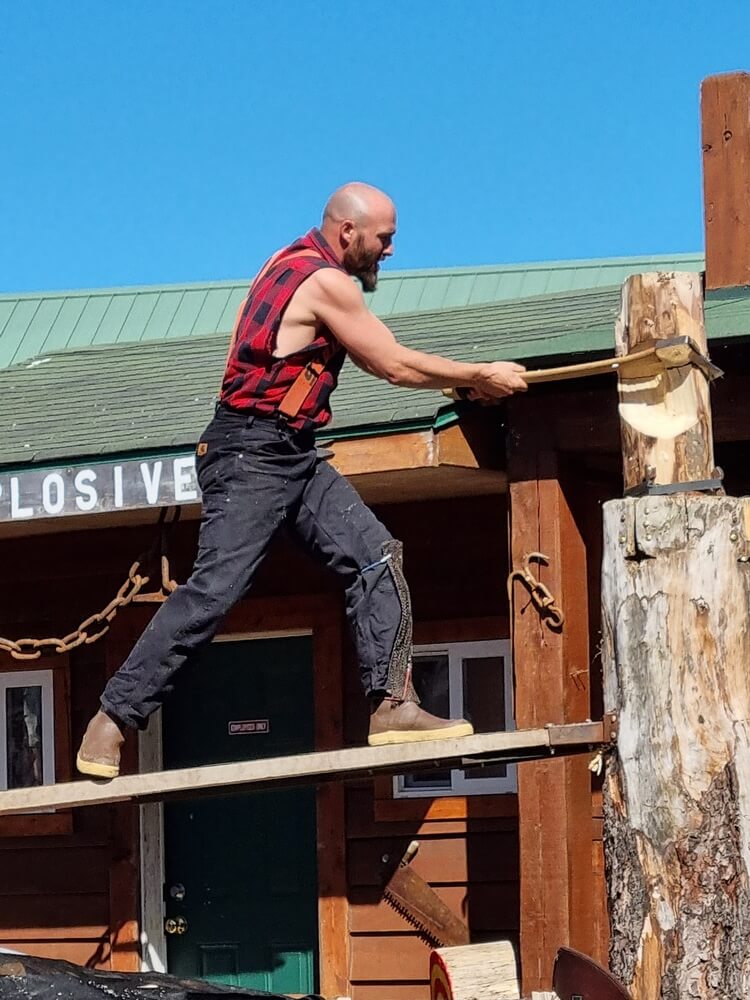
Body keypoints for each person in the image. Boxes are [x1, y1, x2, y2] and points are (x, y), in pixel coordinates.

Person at [76, 182, 528, 778]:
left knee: (376, 555)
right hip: (250, 450)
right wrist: (479, 372)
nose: (390, 251)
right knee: (214, 591)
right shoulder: (324, 281)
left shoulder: (286, 260)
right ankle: (111, 721)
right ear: (349, 232)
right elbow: (388, 361)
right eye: (384, 239)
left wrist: (458, 383)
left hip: (289, 451)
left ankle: (393, 706)